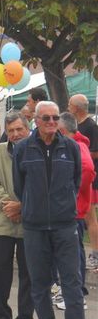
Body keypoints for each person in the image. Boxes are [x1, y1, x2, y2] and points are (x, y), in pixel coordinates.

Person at [13, 101, 85, 319]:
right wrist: (34, 205)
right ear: (36, 120)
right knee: (39, 279)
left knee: (71, 279)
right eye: (47, 118)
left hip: (65, 225)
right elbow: (19, 187)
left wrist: (63, 204)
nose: (52, 122)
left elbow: (75, 182)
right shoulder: (23, 149)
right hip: (34, 225)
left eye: (55, 118)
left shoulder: (71, 147)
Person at [0, 112, 34, 319]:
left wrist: (22, 206)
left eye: (19, 130)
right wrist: (10, 206)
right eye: (11, 130)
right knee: (1, 271)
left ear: (28, 129)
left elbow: (39, 183)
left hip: (29, 221)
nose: (15, 134)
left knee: (28, 272)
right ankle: (1, 317)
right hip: (2, 221)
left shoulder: (36, 152)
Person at [56, 112, 95, 310]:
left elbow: (88, 171)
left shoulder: (77, 147)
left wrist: (72, 190)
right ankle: (69, 292)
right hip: (72, 208)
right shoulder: (75, 145)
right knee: (70, 251)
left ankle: (77, 294)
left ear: (62, 131)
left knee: (73, 253)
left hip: (74, 209)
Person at [68, 93, 98, 271]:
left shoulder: (91, 126)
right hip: (78, 175)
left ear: (77, 108)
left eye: (70, 104)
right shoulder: (77, 125)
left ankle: (95, 254)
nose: (67, 107)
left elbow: (96, 151)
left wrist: (81, 150)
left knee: (90, 216)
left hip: (90, 176)